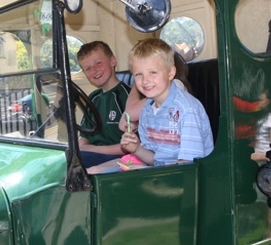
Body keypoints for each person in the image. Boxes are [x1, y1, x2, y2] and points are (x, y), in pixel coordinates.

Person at [89, 38, 213, 174]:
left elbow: (189, 167)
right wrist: (136, 148)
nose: (145, 80)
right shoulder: (148, 109)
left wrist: (146, 171)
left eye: (153, 73)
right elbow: (156, 159)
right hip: (164, 172)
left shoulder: (186, 109)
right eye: (138, 74)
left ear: (171, 73)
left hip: (189, 178)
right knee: (93, 171)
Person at [76, 41, 131, 166]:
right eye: (88, 68)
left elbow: (131, 146)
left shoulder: (127, 97)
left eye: (98, 63)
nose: (94, 70)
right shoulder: (93, 98)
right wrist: (81, 149)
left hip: (120, 157)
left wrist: (91, 149)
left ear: (112, 61)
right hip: (93, 155)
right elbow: (84, 136)